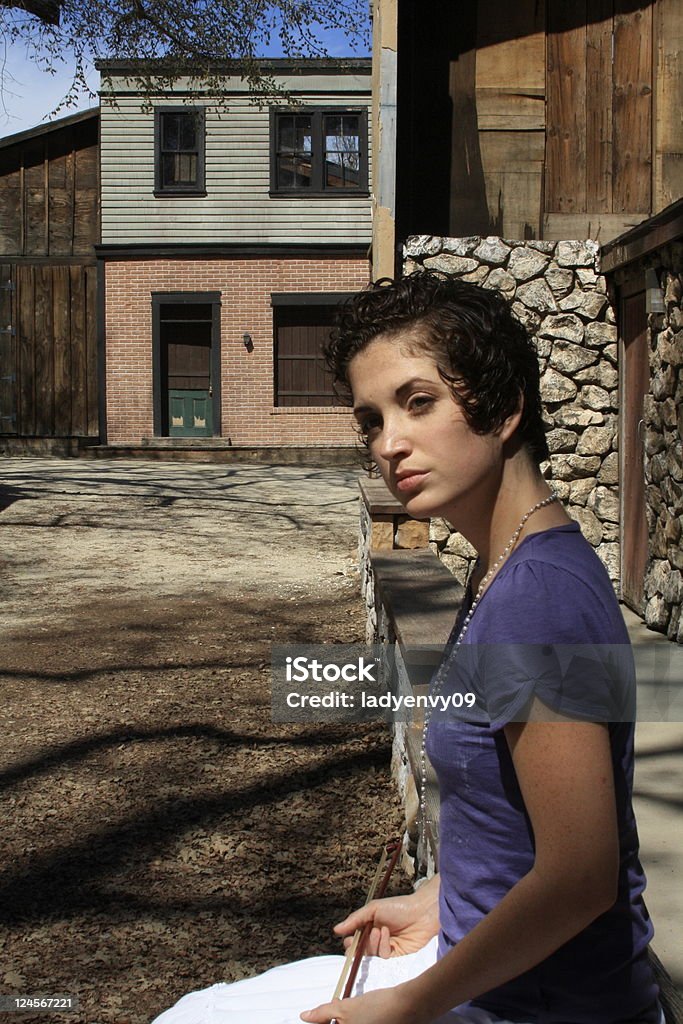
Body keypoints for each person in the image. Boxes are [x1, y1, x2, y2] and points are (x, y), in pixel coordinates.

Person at [151, 273, 662, 1024]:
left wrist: (411, 1003)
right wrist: (437, 897)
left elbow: (582, 877)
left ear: (502, 406)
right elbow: (523, 831)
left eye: (418, 402)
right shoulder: (506, 566)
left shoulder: (536, 598)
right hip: (482, 969)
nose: (388, 444)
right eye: (370, 420)